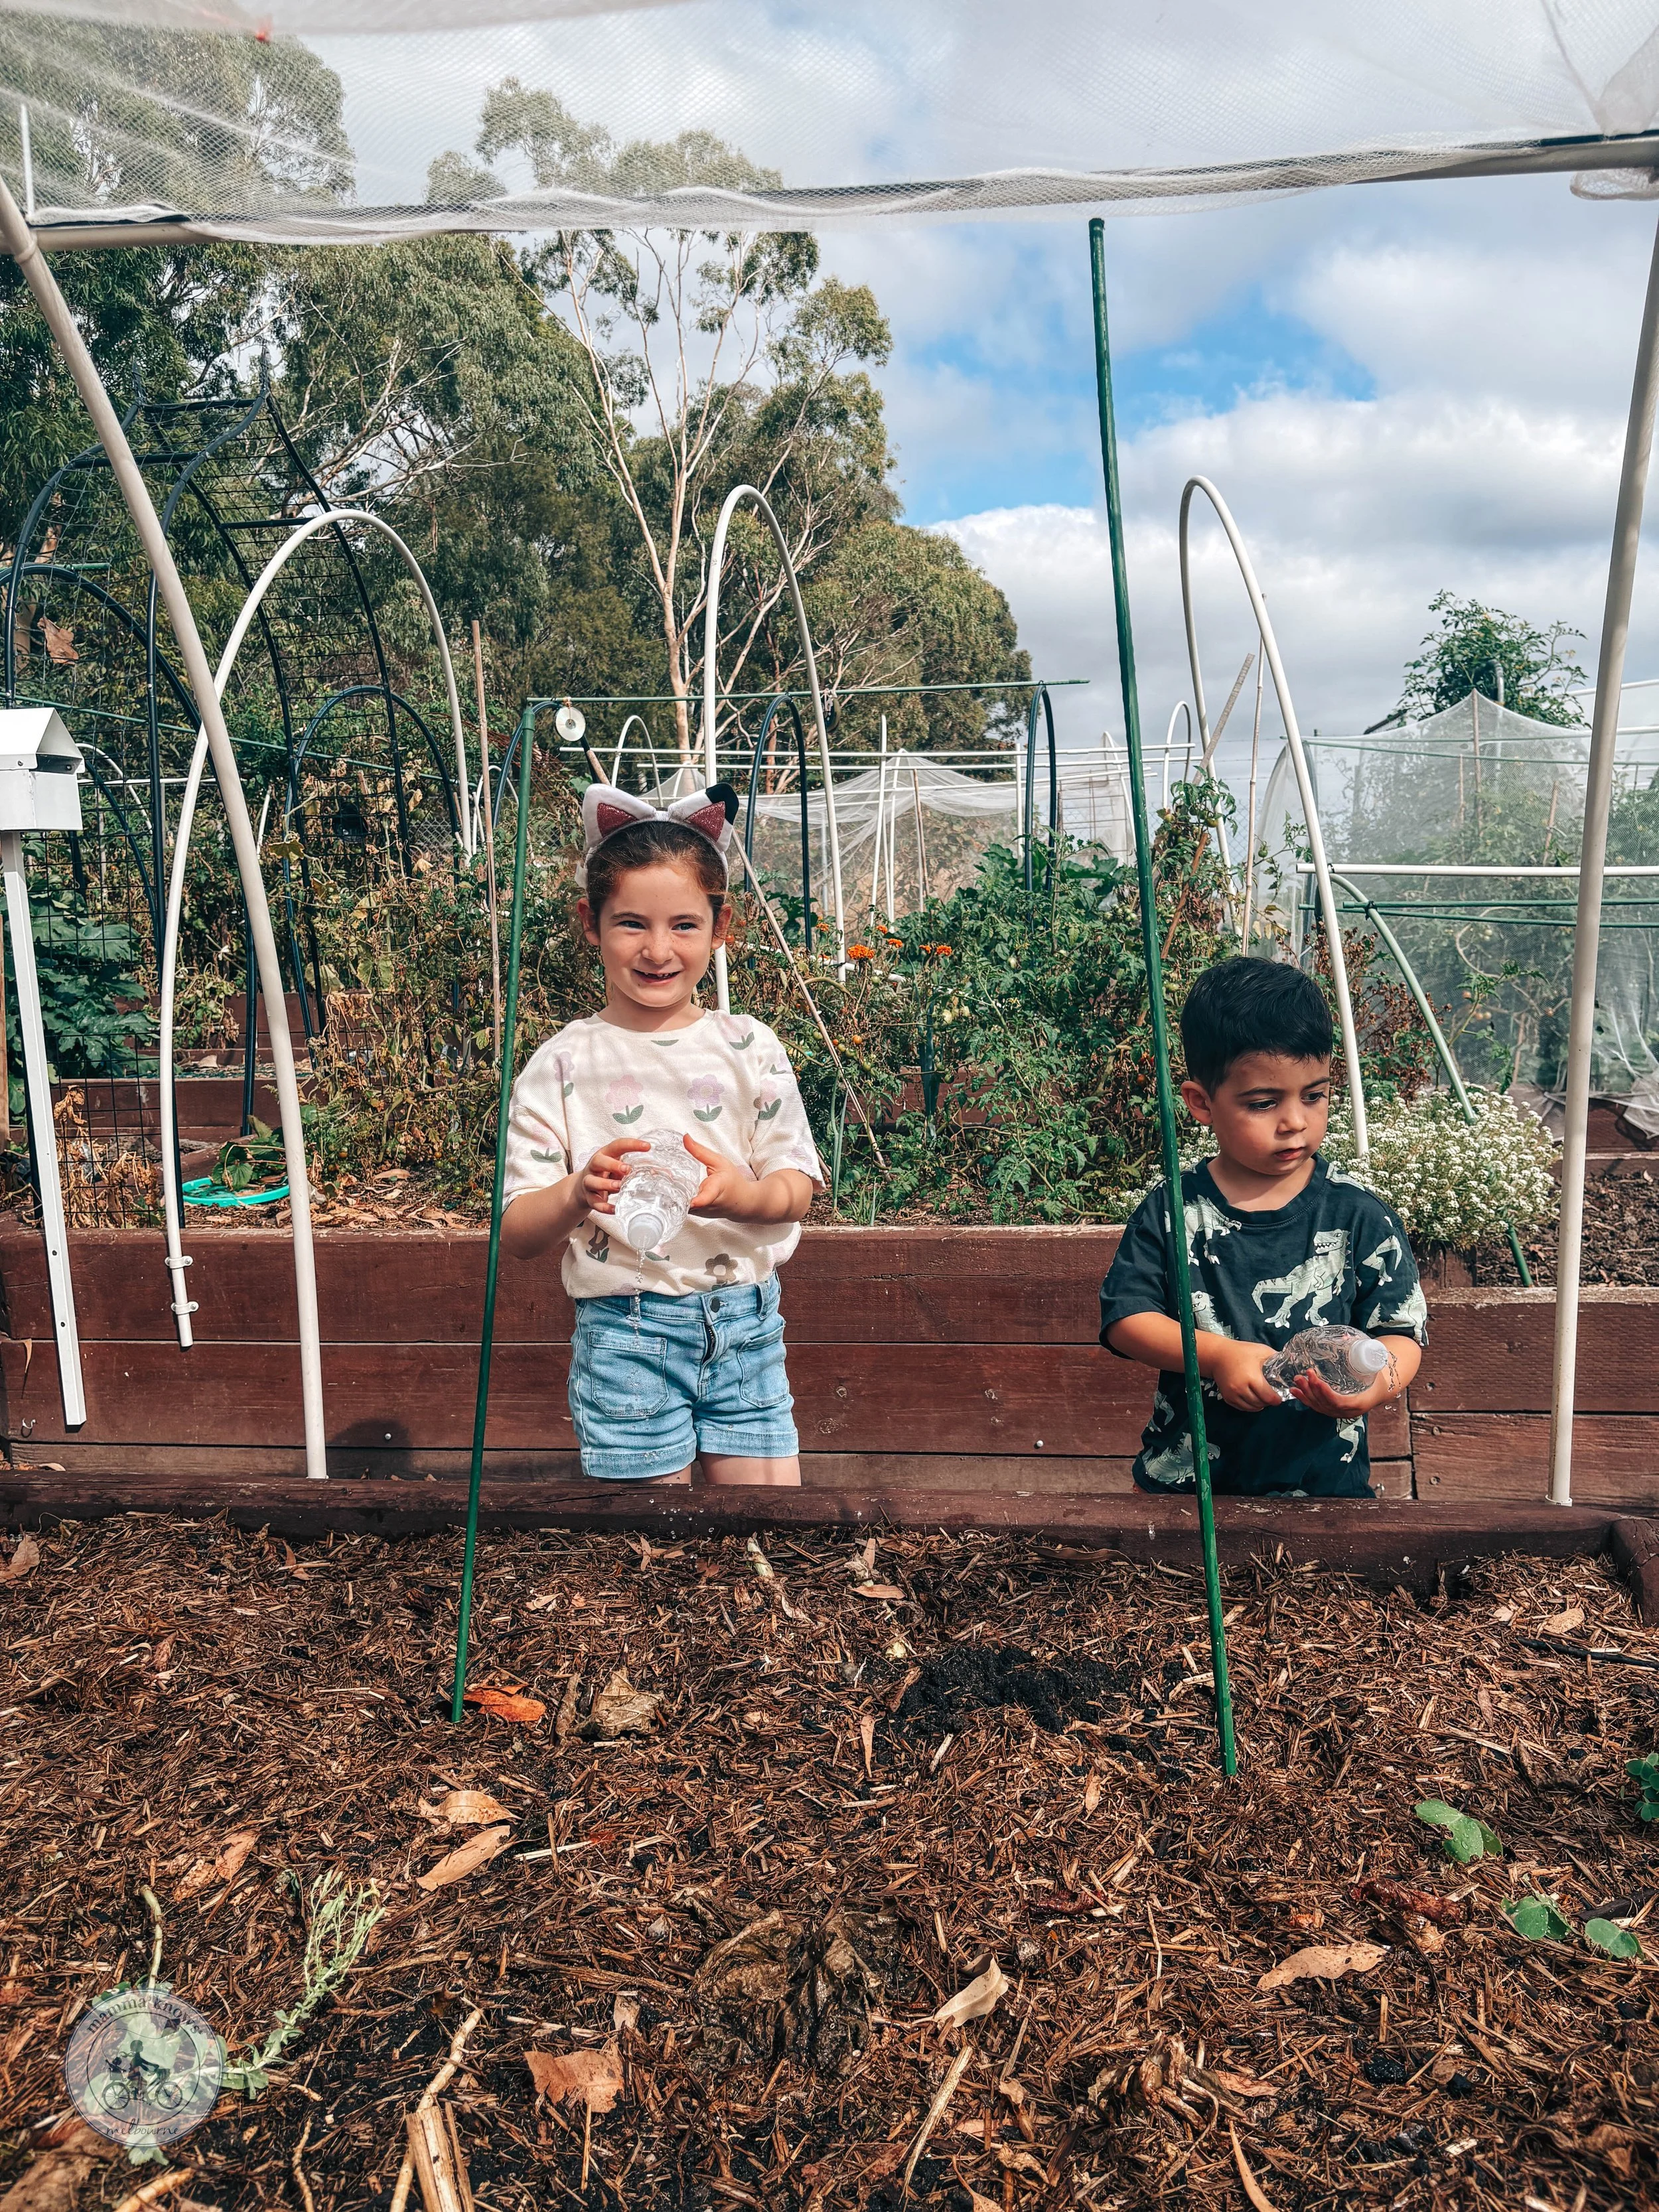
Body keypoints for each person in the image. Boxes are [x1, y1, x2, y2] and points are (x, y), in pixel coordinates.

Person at [500, 780, 822, 1487]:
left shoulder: (749, 1046)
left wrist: (742, 1196)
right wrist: (577, 1192)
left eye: (683, 924)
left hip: (745, 1328)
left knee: (764, 1527)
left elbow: (795, 1187)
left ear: (720, 926)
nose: (657, 949)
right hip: (626, 1331)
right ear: (591, 923)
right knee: (650, 1554)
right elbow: (517, 1231)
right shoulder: (562, 1062)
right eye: (630, 924)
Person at [1100, 956, 1426, 1498]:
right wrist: (1220, 1356)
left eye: (1314, 1095)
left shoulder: (1358, 1215)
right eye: (1263, 1102)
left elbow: (1401, 1333)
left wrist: (1373, 1388)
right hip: (1187, 1493)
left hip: (1325, 1495)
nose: (1295, 1120)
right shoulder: (1173, 1211)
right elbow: (1125, 1318)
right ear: (1202, 1102)